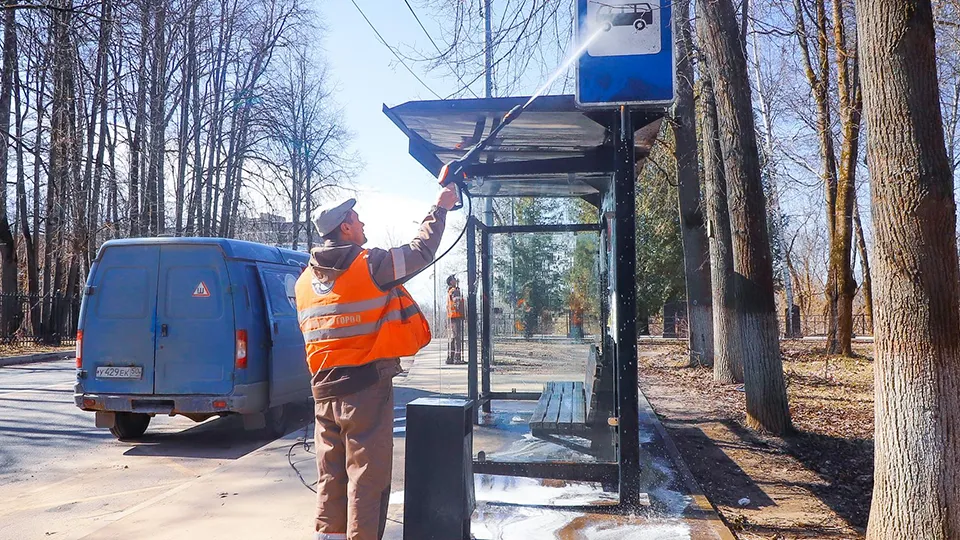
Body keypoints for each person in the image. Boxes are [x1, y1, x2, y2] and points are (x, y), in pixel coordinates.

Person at [295, 184, 459, 540]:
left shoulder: (304, 281)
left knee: (331, 475)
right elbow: (421, 250)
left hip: (324, 394)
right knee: (366, 480)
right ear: (346, 228)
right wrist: (441, 206)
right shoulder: (369, 264)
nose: (362, 222)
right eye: (356, 218)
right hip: (364, 390)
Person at [445, 275, 465, 365]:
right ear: (451, 282)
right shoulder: (455, 291)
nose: (456, 280)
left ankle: (451, 357)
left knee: (454, 337)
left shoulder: (450, 291)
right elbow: (457, 303)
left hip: (452, 316)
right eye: (454, 279)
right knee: (457, 338)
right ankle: (457, 358)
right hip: (456, 316)